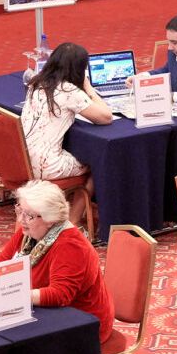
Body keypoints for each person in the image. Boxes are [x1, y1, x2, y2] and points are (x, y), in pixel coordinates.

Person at [0, 180, 117, 345]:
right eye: (19, 211)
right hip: (45, 310)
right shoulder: (30, 232)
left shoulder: (70, 246)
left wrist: (13, 298)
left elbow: (60, 294)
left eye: (29, 215)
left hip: (80, 323)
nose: (21, 220)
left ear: (50, 220)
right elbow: (0, 263)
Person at [20, 42, 113, 227]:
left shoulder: (35, 83)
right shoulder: (69, 91)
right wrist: (88, 88)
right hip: (46, 166)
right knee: (99, 163)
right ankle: (73, 220)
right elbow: (106, 117)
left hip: (21, 160)